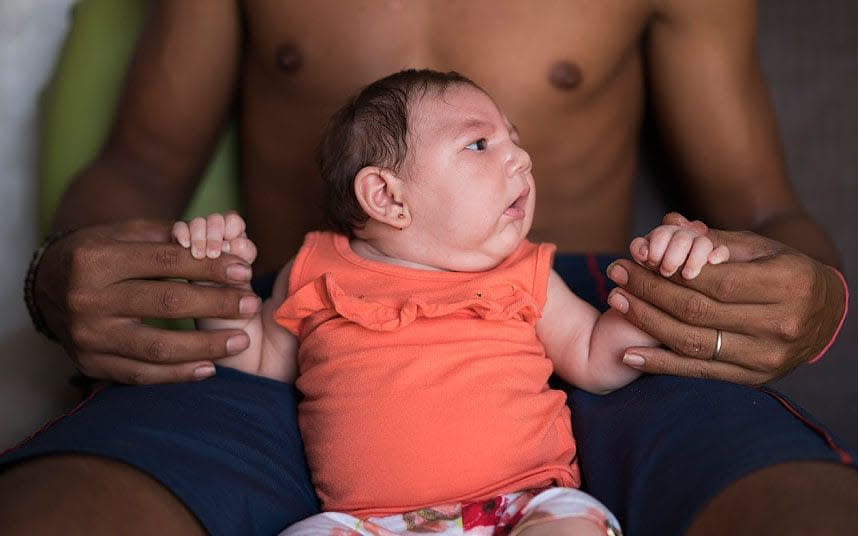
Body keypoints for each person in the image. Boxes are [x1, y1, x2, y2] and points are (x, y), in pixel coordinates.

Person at [1, 1, 855, 535]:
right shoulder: (301, 289)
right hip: (302, 328)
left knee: (805, 514)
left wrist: (821, 294)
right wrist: (62, 274)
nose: (515, 159)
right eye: (486, 143)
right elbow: (143, 161)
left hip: (593, 317)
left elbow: (760, 203)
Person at [171, 69, 730, 536]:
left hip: (525, 506)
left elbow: (598, 359)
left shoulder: (527, 272)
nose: (521, 159)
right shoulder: (318, 270)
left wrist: (668, 276)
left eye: (514, 139)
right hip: (366, 524)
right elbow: (256, 361)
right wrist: (216, 283)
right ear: (388, 197)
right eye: (480, 144)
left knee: (573, 526)